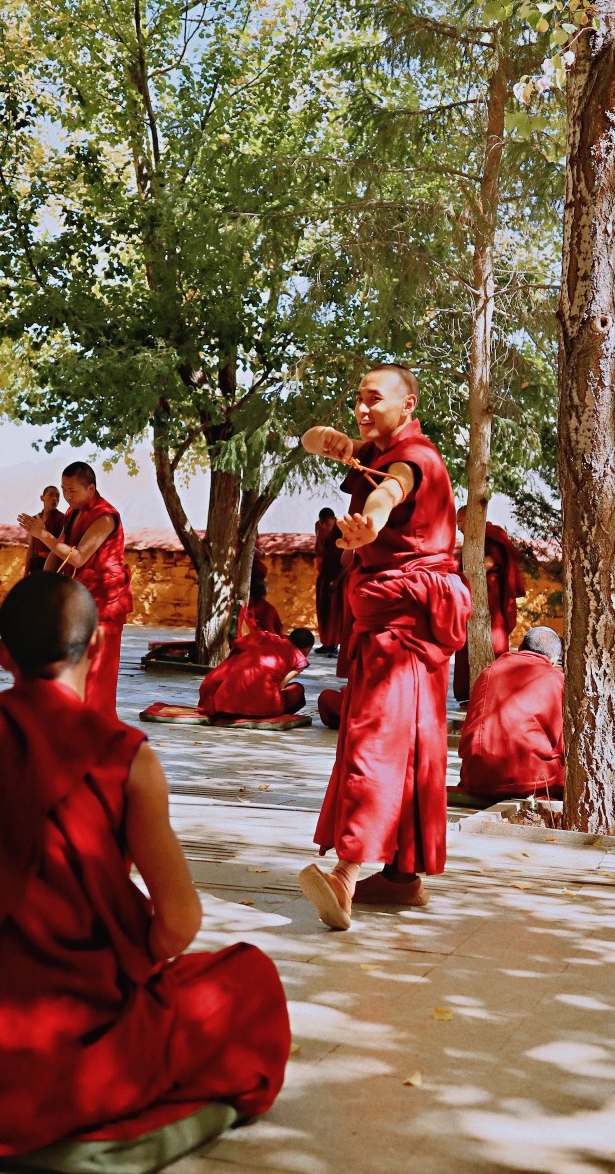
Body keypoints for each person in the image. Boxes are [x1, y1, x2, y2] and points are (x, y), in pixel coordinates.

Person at [0, 574, 290, 1161]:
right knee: (248, 980)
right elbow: (179, 925)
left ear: (0, 654)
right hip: (79, 1070)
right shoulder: (124, 757)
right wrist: (124, 955)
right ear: (97, 647)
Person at [297, 364, 471, 930]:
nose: (363, 409)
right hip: (403, 623)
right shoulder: (374, 453)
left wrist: (370, 527)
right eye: (357, 400)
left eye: (375, 399)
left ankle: (345, 874)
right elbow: (311, 441)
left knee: (378, 738)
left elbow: (392, 490)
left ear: (408, 404)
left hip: (405, 627)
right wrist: (334, 442)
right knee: (416, 747)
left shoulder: (412, 459)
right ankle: (401, 878)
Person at [18, 462, 132, 719]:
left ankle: (97, 726)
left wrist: (42, 535)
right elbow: (59, 554)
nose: (67, 496)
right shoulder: (74, 511)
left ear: (90, 488)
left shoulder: (105, 516)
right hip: (78, 598)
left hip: (104, 601)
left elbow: (78, 558)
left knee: (97, 671)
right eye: (64, 490)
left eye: (72, 491)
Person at [458, 626, 564, 799]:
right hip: (531, 780)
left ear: (521, 648)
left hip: (478, 778)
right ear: (553, 660)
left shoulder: (490, 670)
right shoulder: (557, 680)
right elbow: (562, 741)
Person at [453, 506, 526, 702]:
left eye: (460, 521)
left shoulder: (492, 535)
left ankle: (492, 687)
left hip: (490, 595)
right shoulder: (470, 540)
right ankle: (468, 690)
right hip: (474, 595)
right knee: (467, 643)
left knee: (494, 639)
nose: (457, 527)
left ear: (471, 518)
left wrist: (463, 575)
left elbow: (490, 561)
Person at [199, 627, 314, 718]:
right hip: (263, 707)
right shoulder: (299, 658)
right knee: (298, 689)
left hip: (223, 703)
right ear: (306, 650)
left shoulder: (265, 637)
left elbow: (238, 643)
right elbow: (281, 685)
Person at [314, 508, 343, 656]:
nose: (324, 525)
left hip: (341, 573)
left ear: (333, 519)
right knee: (323, 610)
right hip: (325, 573)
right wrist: (320, 533)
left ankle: (335, 645)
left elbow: (350, 557)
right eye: (321, 522)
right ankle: (326, 643)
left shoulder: (342, 529)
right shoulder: (320, 528)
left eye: (326, 523)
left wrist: (338, 579)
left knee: (335, 612)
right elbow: (318, 551)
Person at [23, 485, 66, 575]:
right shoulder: (35, 519)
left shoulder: (61, 518)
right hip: (36, 563)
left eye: (57, 496)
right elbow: (31, 547)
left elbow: (61, 546)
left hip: (52, 564)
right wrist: (26, 571)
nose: (54, 499)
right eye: (51, 495)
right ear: (42, 498)